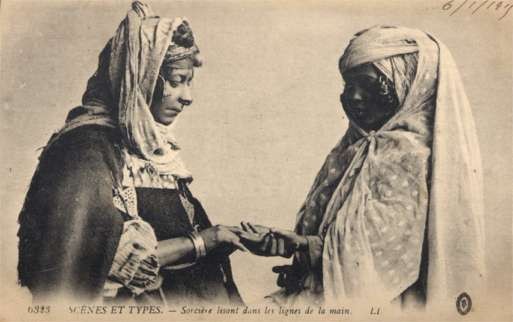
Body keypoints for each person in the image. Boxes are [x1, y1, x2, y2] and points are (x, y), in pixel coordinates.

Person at [238, 25, 485, 309]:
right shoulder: (353, 149)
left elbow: (377, 259)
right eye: (348, 86)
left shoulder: (413, 158)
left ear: (407, 86)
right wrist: (300, 257)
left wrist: (305, 246)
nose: (354, 97)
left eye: (368, 85)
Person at [17, 2, 244, 305]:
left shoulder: (153, 151)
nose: (187, 97)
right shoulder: (85, 151)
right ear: (142, 79)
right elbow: (87, 263)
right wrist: (202, 242)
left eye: (189, 82)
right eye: (177, 82)